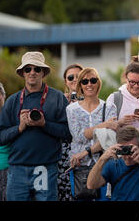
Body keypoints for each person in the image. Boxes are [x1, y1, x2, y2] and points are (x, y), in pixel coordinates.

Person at [0, 51, 72, 201]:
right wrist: (20, 126)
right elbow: (0, 137)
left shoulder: (57, 98)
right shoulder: (12, 101)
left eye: (37, 69)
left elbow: (68, 133)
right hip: (17, 168)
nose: (32, 72)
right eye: (28, 69)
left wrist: (44, 124)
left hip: (46, 167)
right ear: (22, 73)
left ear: (43, 72)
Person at [66, 67, 118, 200]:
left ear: (98, 83)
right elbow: (78, 136)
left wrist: (86, 152)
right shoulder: (71, 109)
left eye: (93, 80)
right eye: (85, 81)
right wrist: (104, 125)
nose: (89, 84)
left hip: (105, 163)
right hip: (80, 166)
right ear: (80, 85)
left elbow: (108, 139)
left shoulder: (110, 107)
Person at [86, 125, 139, 201]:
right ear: (117, 146)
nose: (128, 156)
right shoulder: (113, 164)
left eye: (130, 149)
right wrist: (102, 159)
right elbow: (91, 185)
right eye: (124, 149)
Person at [105, 56, 139, 153]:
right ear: (125, 78)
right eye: (132, 82)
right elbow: (106, 128)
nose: (135, 86)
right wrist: (120, 122)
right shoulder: (115, 98)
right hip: (121, 151)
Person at [58, 63, 83, 201]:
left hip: (86, 155)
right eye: (70, 77)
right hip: (63, 157)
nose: (74, 79)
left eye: (78, 76)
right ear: (65, 81)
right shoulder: (58, 100)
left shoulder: (93, 100)